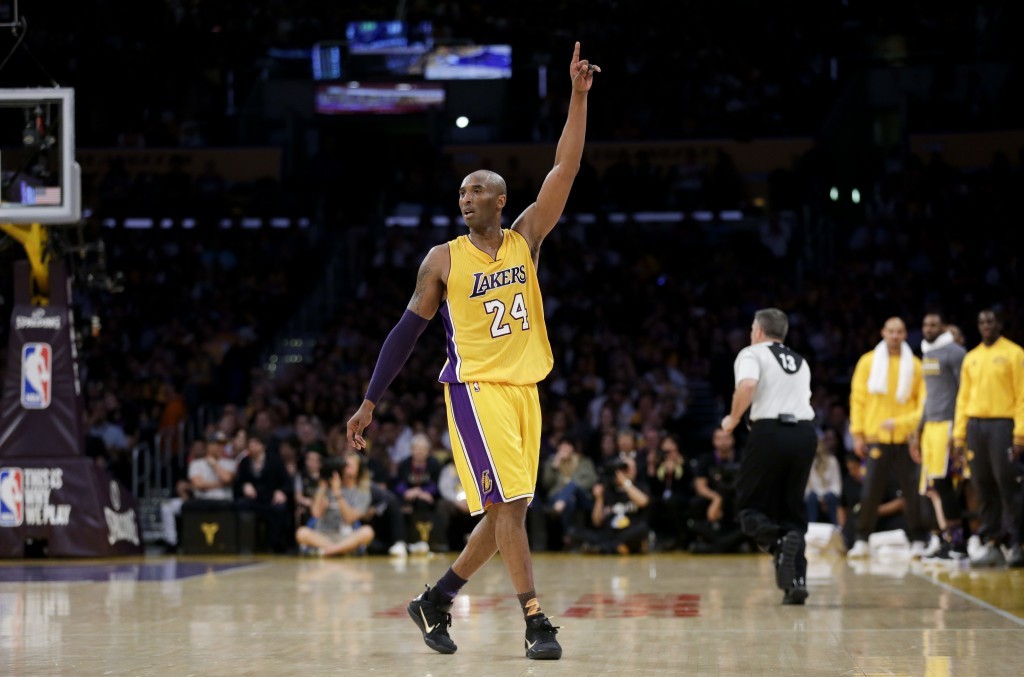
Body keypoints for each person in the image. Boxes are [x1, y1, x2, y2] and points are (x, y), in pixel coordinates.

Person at [346, 42, 599, 660]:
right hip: (475, 390)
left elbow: (564, 170)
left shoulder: (526, 239)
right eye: (460, 193)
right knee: (508, 508)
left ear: (500, 200)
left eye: (476, 191)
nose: (465, 199)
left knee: (504, 514)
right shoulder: (442, 259)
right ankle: (535, 619)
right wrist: (370, 399)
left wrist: (577, 96)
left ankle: (435, 600)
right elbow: (406, 331)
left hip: (525, 390)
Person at [722, 308, 817, 605]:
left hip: (769, 432)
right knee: (792, 512)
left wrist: (733, 420)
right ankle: (795, 584)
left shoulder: (753, 353)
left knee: (749, 507)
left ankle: (777, 543)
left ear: (759, 330)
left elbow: (747, 386)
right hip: (804, 434)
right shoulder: (800, 361)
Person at [846, 317, 927, 559]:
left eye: (900, 331)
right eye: (891, 331)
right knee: (871, 490)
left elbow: (922, 405)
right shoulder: (868, 362)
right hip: (876, 436)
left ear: (905, 335)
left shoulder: (915, 365)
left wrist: (905, 426)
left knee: (911, 490)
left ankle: (918, 538)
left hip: (906, 438)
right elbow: (857, 400)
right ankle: (862, 538)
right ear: (883, 332)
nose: (895, 335)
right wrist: (858, 435)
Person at [953, 310, 1024, 567]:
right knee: (983, 485)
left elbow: (1022, 396)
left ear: (1000, 324)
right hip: (975, 426)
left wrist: (1019, 435)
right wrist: (959, 436)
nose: (986, 326)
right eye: (981, 322)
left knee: (1008, 484)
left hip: (1003, 425)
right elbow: (962, 399)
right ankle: (992, 541)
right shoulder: (971, 357)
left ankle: (1018, 542)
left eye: (990, 321)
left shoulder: (1015, 354)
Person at [912, 312, 968, 559]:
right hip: (931, 427)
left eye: (934, 324)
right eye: (925, 324)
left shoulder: (955, 353)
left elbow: (964, 393)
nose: (928, 328)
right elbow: (929, 395)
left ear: (943, 327)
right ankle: (945, 539)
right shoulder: (927, 353)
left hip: (948, 425)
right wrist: (919, 428)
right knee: (935, 486)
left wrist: (958, 431)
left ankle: (958, 543)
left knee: (946, 485)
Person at [295, 454, 375, 556]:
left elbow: (349, 518)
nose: (346, 468)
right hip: (323, 535)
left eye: (350, 465)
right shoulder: (329, 486)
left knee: (367, 532)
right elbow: (316, 513)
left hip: (345, 536)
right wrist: (323, 486)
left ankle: (329, 551)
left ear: (358, 469)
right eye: (344, 465)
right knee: (302, 533)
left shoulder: (362, 492)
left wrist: (337, 494)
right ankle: (343, 550)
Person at [805, 438, 842, 525]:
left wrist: (826, 496)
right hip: (815, 495)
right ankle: (811, 527)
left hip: (829, 494)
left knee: (831, 498)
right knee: (811, 497)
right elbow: (808, 485)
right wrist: (819, 497)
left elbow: (836, 484)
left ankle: (836, 527)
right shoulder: (810, 463)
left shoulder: (832, 461)